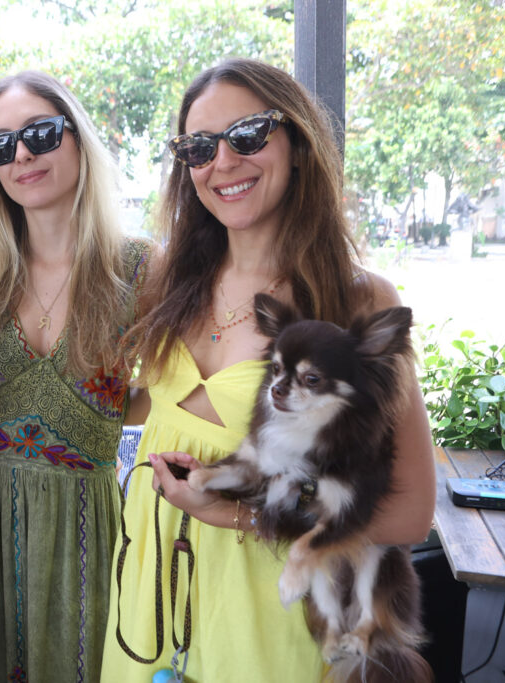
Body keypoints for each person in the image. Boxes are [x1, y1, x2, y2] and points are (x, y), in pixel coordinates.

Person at [100, 58, 436, 682]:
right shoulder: (167, 283)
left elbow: (413, 510)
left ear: (299, 144)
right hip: (154, 601)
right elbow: (162, 406)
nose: (222, 161)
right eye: (199, 146)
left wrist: (235, 512)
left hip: (274, 613)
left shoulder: (360, 302)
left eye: (248, 134)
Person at [0, 71, 152, 682]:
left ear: (78, 139)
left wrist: (100, 413)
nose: (21, 154)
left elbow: (191, 384)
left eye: (40, 133)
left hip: (87, 531)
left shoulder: (141, 267)